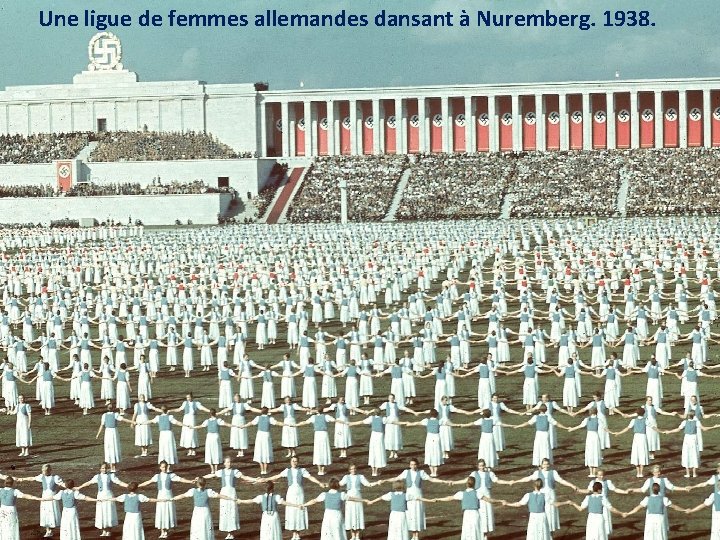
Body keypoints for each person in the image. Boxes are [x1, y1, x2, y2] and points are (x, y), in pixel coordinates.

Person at [138, 461, 194, 539]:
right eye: (162, 467)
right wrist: (138, 485)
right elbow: (148, 482)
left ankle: (166, 531)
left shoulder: (171, 475)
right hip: (160, 496)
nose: (164, 468)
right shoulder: (157, 476)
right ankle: (162, 531)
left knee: (167, 512)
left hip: (168, 496)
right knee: (161, 512)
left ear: (167, 467)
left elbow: (180, 479)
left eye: (165, 467)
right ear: (160, 467)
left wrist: (190, 481)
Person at [366, 480, 432, 540]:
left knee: (393, 528)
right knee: (402, 527)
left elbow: (381, 497)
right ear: (403, 487)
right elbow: (417, 498)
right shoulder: (405, 495)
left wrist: (372, 501)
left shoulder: (391, 494)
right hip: (401, 515)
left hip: (393, 514)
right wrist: (430, 500)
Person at [14, 463, 65, 538]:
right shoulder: (41, 476)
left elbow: (63, 484)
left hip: (52, 498)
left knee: (51, 512)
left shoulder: (55, 477)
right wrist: (22, 479)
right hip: (44, 497)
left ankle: (51, 529)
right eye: (43, 471)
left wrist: (70, 487)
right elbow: (32, 478)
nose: (43, 473)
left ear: (50, 470)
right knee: (45, 513)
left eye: (45, 471)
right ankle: (48, 530)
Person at [77, 462, 129, 537]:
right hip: (100, 496)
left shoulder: (111, 476)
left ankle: (109, 530)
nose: (104, 469)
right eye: (102, 468)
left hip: (109, 496)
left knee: (108, 512)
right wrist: (79, 487)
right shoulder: (97, 477)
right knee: (102, 512)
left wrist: (128, 486)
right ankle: (104, 530)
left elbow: (119, 482)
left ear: (108, 468)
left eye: (105, 468)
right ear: (100, 469)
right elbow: (89, 483)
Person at [431, 476, 489, 540]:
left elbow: (449, 498)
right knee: (476, 529)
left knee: (467, 530)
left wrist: (438, 499)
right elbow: (488, 500)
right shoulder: (477, 493)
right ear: (474, 484)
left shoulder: (462, 494)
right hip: (475, 514)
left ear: (466, 484)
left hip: (467, 514)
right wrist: (497, 501)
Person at [339, 464, 376, 540]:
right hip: (349, 498)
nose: (353, 470)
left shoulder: (361, 476)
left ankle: (357, 536)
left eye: (354, 469)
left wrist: (377, 483)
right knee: (350, 515)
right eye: (351, 469)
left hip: (358, 497)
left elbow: (368, 484)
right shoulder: (346, 477)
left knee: (358, 515)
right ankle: (353, 535)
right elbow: (339, 484)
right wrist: (327, 484)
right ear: (349, 470)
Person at [0, 476, 42, 540]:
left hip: (2, 510)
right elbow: (25, 496)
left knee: (3, 525)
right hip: (11, 511)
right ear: (12, 483)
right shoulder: (15, 491)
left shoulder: (0, 490)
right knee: (11, 525)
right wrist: (37, 498)